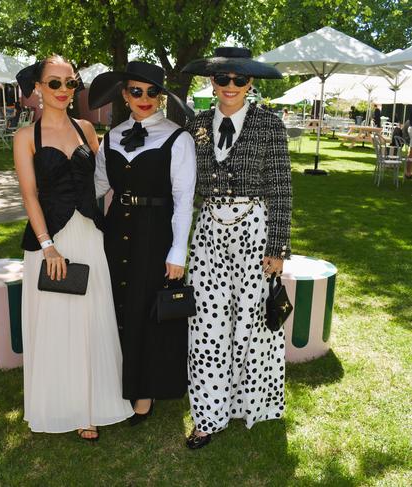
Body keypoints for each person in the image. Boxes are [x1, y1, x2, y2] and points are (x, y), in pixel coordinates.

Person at [13, 55, 133, 441]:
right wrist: (48, 246)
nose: (65, 90)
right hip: (49, 240)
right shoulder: (25, 137)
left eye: (71, 83)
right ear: (37, 88)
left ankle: (89, 406)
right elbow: (29, 195)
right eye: (55, 83)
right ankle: (60, 403)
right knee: (54, 322)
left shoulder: (86, 129)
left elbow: (103, 182)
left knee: (91, 320)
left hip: (90, 235)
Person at [181, 47, 292, 449]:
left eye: (239, 79)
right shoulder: (195, 125)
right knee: (207, 325)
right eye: (222, 78)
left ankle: (249, 404)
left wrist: (278, 246)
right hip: (209, 232)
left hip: (255, 234)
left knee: (251, 323)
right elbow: (184, 184)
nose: (230, 86)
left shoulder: (269, 124)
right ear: (212, 82)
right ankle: (209, 415)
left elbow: (281, 189)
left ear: (250, 83)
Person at [88, 61, 196, 424]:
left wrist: (177, 251)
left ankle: (145, 393)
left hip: (156, 233)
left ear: (162, 96)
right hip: (116, 230)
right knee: (117, 305)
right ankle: (118, 381)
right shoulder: (112, 135)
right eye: (137, 91)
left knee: (147, 311)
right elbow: (99, 185)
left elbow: (184, 199)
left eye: (153, 92)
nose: (145, 98)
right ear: (124, 94)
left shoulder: (178, 138)